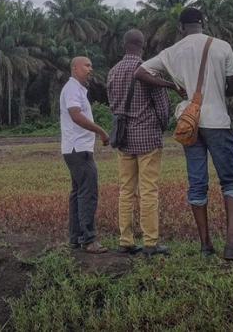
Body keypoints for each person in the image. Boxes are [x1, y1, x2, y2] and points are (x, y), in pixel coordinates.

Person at [136, 7, 233, 260]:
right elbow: (232, 87)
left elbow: (141, 72)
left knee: (197, 183)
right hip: (217, 121)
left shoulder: (171, 52)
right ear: (204, 23)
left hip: (188, 122)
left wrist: (171, 85)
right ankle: (232, 244)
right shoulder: (222, 46)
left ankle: (205, 246)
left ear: (181, 28)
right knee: (231, 181)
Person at [107, 29, 172, 256]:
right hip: (147, 139)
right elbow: (163, 107)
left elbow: (113, 105)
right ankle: (150, 243)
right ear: (142, 45)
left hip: (124, 140)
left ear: (124, 45)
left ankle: (125, 240)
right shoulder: (149, 70)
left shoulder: (113, 72)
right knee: (148, 191)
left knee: (126, 191)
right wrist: (161, 126)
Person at [60, 56, 109, 254]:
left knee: (77, 193)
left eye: (91, 65)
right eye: (86, 65)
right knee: (88, 193)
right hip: (78, 149)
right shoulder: (72, 88)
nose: (90, 69)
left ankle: (75, 238)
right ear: (74, 68)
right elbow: (76, 115)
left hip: (75, 149)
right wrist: (101, 131)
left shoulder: (78, 89)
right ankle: (89, 240)